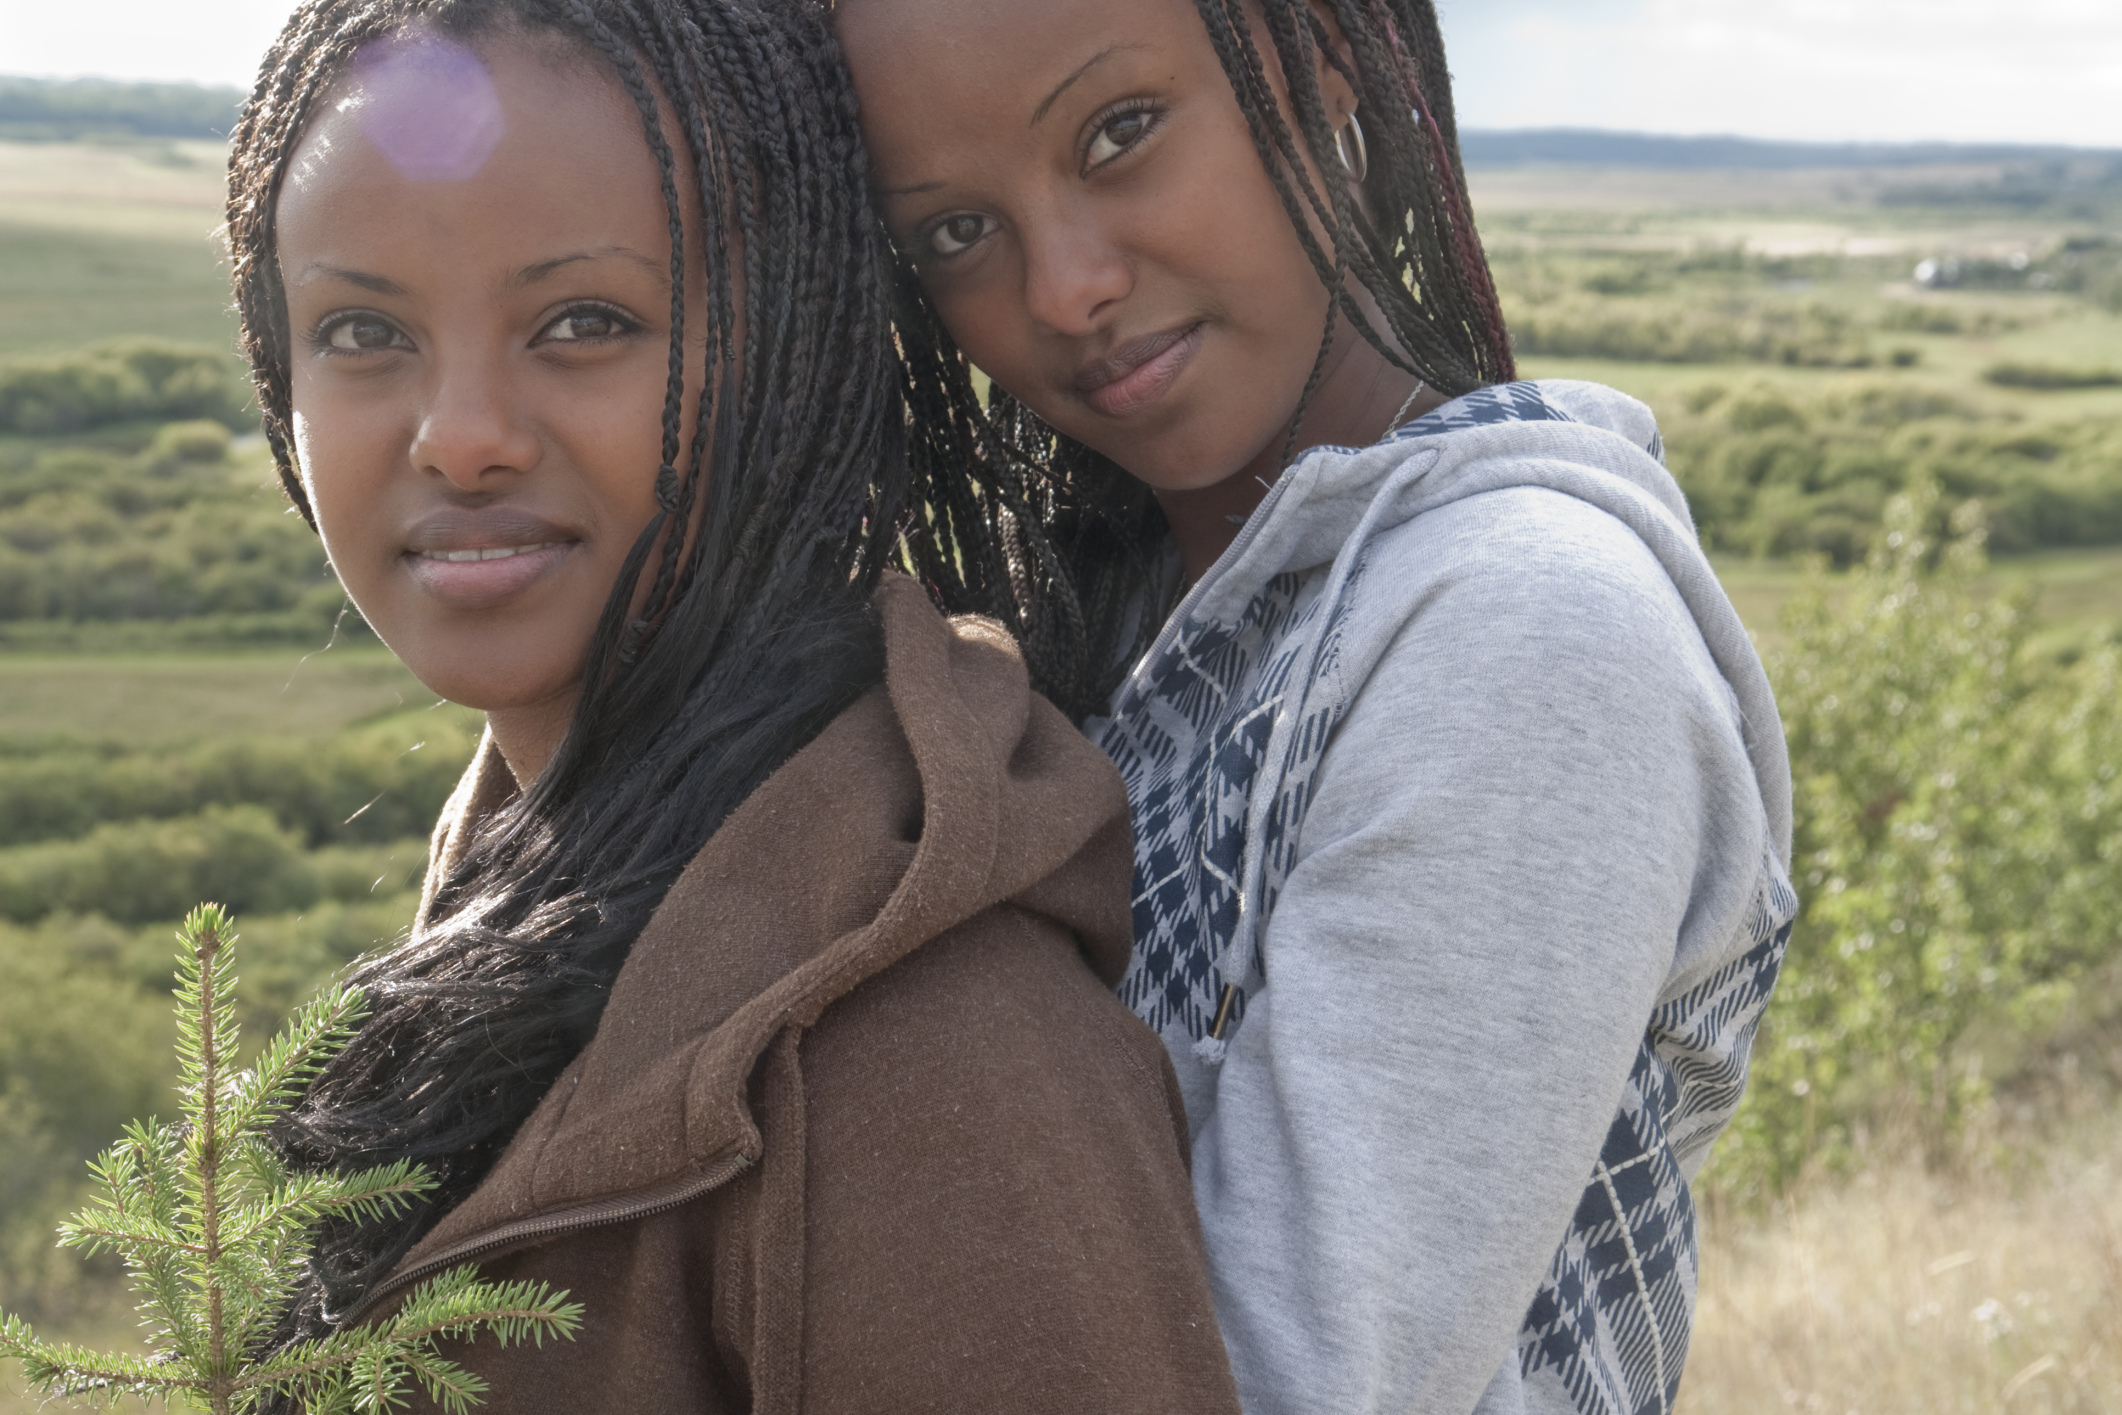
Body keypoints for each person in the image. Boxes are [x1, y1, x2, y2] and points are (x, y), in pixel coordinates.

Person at [226, 1, 1244, 1410]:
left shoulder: (923, 1060)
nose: (458, 432)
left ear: (795, 354)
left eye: (585, 321)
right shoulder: (555, 868)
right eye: (360, 329)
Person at [834, 1, 1800, 1412]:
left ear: (1321, 61)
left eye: (1118, 134)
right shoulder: (1103, 626)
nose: (1062, 288)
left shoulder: (1519, 629)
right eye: (951, 233)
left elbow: (1289, 1384)